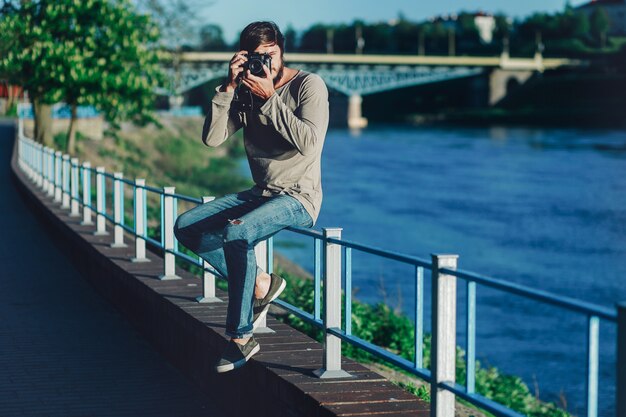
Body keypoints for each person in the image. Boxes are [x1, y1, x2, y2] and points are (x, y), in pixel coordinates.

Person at [173, 21, 329, 373]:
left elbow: (309, 143)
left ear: (281, 51)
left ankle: (241, 338)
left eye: (270, 56)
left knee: (237, 232)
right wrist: (229, 87)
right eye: (255, 58)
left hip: (298, 197)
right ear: (243, 58)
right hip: (260, 194)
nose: (264, 65)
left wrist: (269, 98)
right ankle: (261, 282)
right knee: (188, 226)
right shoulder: (243, 89)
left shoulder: (309, 85)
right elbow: (212, 139)